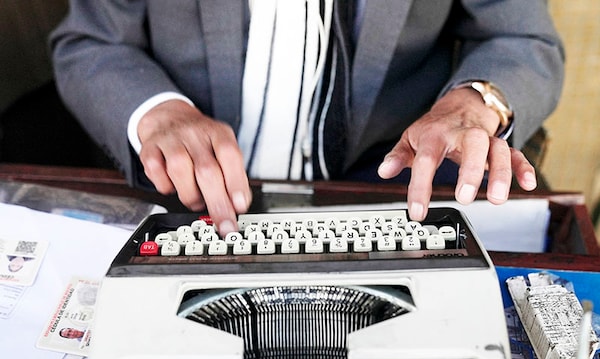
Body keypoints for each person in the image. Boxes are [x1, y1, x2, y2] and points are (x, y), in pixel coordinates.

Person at [50, 1, 564, 235]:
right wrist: (157, 110)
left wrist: (471, 103)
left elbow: (519, 38)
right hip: (182, 192)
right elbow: (93, 41)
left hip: (385, 188)